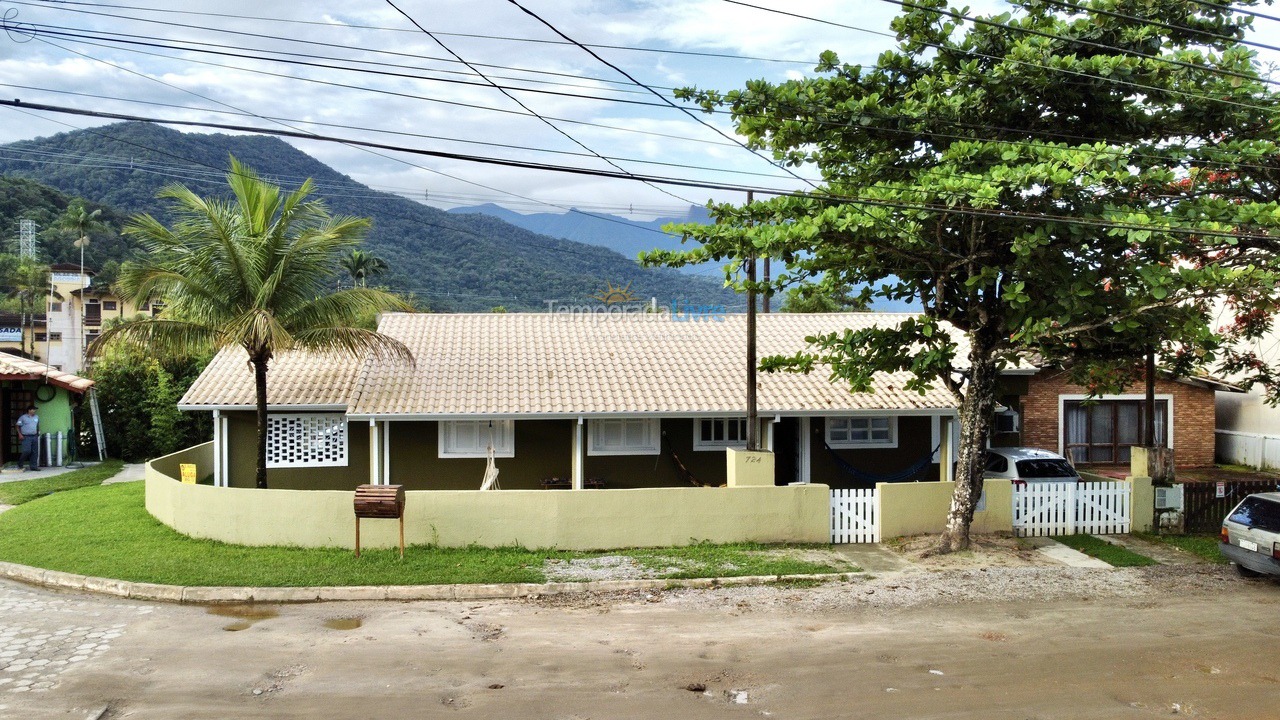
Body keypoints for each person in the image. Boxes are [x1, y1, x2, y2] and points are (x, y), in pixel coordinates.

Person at [15, 405, 39, 472]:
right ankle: (20, 463)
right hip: (26, 436)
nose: (34, 411)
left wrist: (38, 432)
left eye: (35, 409)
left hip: (34, 436)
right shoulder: (23, 417)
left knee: (35, 452)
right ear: (29, 410)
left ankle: (33, 467)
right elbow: (17, 426)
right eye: (33, 409)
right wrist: (20, 434)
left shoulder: (37, 417)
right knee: (27, 451)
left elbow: (37, 425)